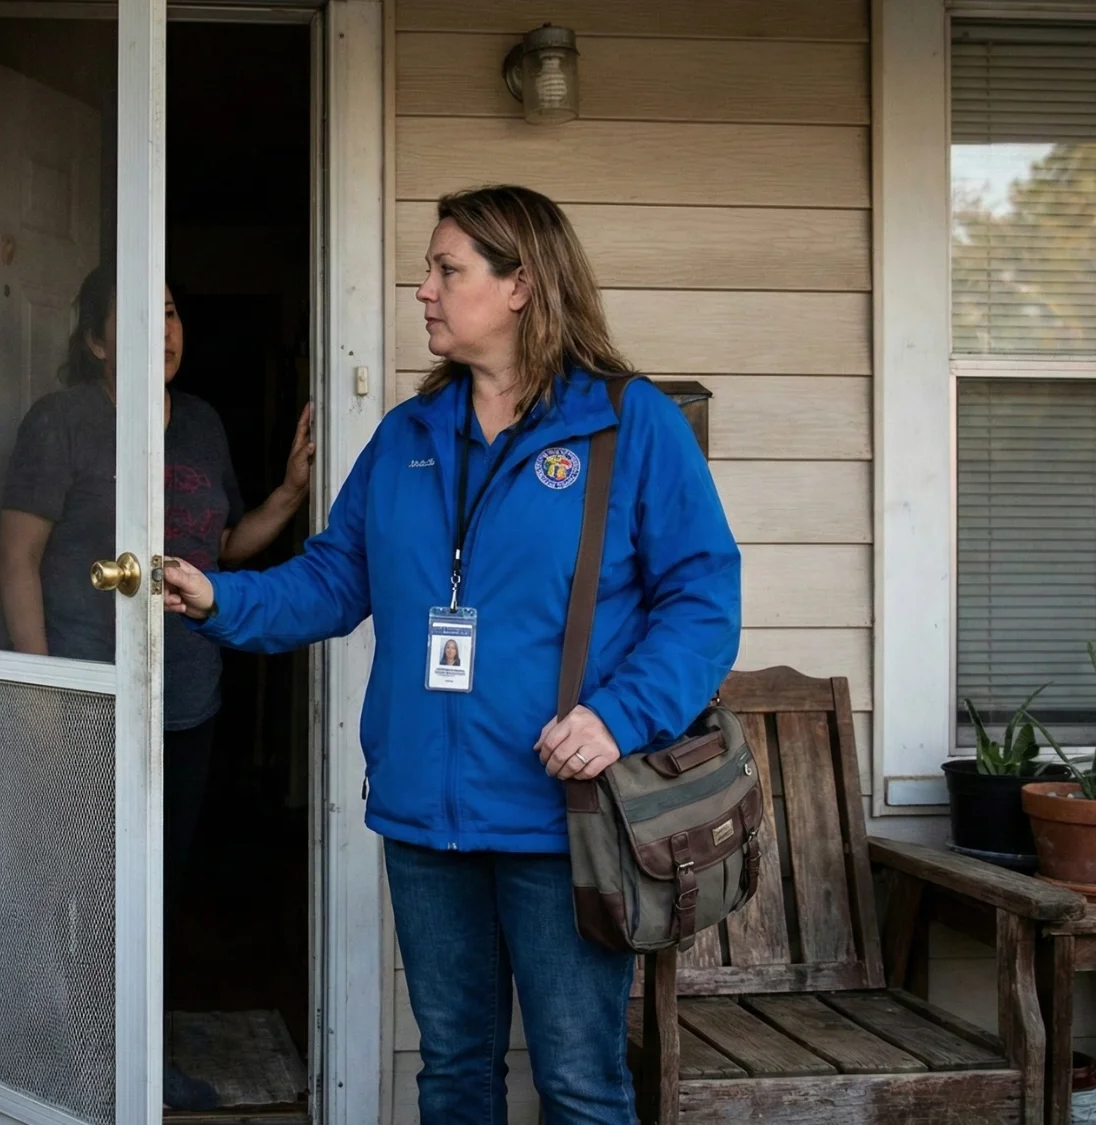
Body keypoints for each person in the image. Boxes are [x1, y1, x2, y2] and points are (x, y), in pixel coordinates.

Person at [160, 185, 741, 1124]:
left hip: (564, 822)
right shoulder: (408, 435)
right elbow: (334, 578)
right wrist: (219, 595)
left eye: (446, 269)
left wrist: (616, 717)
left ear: (522, 285)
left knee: (580, 1083)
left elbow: (704, 603)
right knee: (455, 1072)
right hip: (426, 819)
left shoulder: (627, 425)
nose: (423, 289)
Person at [0, 265, 314, 1109]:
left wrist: (290, 493)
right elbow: (18, 561)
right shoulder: (62, 422)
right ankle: (82, 1062)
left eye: (169, 312)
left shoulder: (201, 423)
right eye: (138, 315)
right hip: (88, 694)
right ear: (96, 341)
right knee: (85, 885)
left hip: (186, 696)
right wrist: (40, 689)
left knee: (157, 886)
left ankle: (137, 1058)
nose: (162, 329)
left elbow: (225, 548)